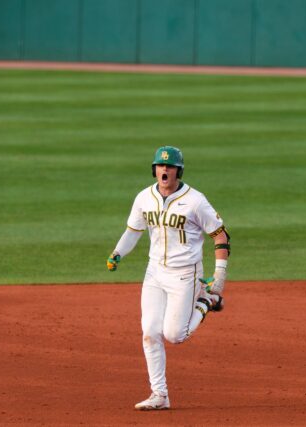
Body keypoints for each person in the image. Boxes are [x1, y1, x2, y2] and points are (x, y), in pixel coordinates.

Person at [106, 146, 231, 411]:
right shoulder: (144, 198)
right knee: (150, 332)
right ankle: (159, 394)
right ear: (154, 169)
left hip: (186, 273)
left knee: (175, 336)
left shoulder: (195, 200)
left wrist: (219, 274)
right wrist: (118, 252)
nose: (165, 171)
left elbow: (221, 235)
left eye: (170, 167)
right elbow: (133, 230)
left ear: (178, 171)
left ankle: (207, 300)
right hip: (154, 272)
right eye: (161, 166)